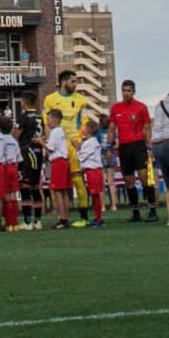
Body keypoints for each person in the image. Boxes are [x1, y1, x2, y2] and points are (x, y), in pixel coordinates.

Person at [41, 72, 89, 211]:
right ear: (63, 81)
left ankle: (84, 213)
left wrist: (79, 140)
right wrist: (49, 145)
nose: (75, 85)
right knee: (58, 183)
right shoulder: (50, 99)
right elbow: (46, 123)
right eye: (73, 81)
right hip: (58, 145)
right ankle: (62, 214)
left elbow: (84, 122)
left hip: (73, 144)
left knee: (77, 178)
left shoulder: (81, 99)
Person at [107, 81, 153, 223]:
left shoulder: (141, 107)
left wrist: (149, 146)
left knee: (144, 176)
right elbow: (112, 128)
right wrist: (109, 147)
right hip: (124, 147)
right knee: (128, 180)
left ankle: (152, 210)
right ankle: (135, 212)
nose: (126, 93)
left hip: (138, 145)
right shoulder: (115, 108)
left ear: (133, 92)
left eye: (129, 90)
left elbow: (147, 127)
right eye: (124, 90)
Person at [74, 117, 107, 229]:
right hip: (94, 171)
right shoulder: (92, 142)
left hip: (93, 171)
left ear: (88, 129)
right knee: (95, 195)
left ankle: (98, 218)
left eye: (85, 126)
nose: (83, 128)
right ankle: (97, 217)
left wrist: (77, 148)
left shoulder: (90, 142)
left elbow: (82, 157)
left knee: (95, 195)